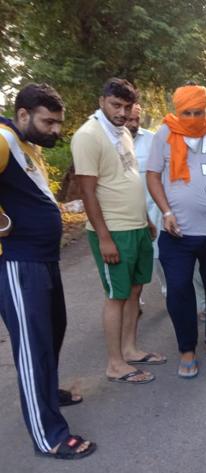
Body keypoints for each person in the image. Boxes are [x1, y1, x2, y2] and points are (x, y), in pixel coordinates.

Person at [0, 83, 96, 459]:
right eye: (48, 122)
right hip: (19, 263)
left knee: (53, 332)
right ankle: (48, 435)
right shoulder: (4, 139)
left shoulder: (25, 145)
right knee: (32, 345)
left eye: (58, 122)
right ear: (23, 114)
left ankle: (46, 393)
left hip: (43, 260)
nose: (56, 130)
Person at [72, 78, 164, 386]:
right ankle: (114, 363)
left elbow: (128, 179)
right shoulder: (88, 135)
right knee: (117, 296)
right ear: (102, 101)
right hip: (113, 231)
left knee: (135, 291)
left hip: (137, 226)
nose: (122, 113)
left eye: (127, 107)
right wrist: (104, 237)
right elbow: (87, 192)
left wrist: (146, 221)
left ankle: (130, 349)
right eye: (116, 105)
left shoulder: (123, 132)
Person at [146, 84, 206, 378]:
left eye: (197, 112)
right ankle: (186, 349)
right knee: (178, 290)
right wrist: (166, 211)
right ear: (177, 111)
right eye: (185, 112)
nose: (191, 117)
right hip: (177, 232)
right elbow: (152, 176)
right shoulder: (165, 134)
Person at [125, 103, 166, 297]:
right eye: (129, 120)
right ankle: (135, 299)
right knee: (131, 258)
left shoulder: (152, 140)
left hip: (154, 209)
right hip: (127, 213)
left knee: (160, 256)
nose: (133, 124)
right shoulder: (109, 142)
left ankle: (168, 290)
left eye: (136, 119)